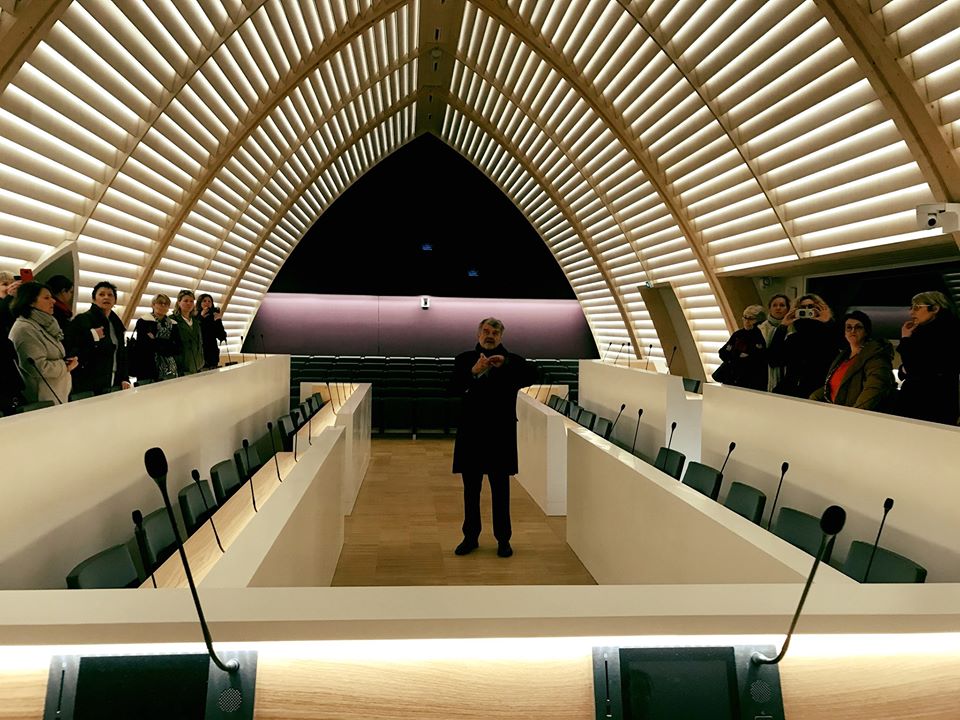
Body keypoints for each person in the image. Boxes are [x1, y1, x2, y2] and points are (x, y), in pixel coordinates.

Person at [450, 318, 538, 558]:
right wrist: (473, 372)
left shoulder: (513, 362)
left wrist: (505, 364)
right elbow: (451, 388)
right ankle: (470, 537)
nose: (490, 335)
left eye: (495, 332)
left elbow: (533, 375)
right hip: (471, 435)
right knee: (471, 491)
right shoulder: (464, 360)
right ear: (478, 334)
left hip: (500, 436)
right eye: (486, 331)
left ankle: (503, 539)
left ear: (501, 337)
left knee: (501, 491)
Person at [894, 291, 960, 425]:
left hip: (928, 402)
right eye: (911, 308)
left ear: (935, 308)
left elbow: (914, 368)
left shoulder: (941, 335)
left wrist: (905, 339)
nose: (911, 312)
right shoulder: (932, 331)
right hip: (937, 401)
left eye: (917, 307)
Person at [810, 310, 894, 411]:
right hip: (835, 410)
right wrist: (814, 399)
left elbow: (874, 388)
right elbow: (832, 386)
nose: (853, 331)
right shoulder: (843, 356)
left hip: (855, 414)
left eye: (858, 327)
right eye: (849, 327)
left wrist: (854, 413)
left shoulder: (875, 356)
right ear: (845, 333)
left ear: (866, 332)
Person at [8, 282, 77, 404]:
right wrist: (65, 367)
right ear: (31, 302)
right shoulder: (25, 329)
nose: (53, 301)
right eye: (46, 298)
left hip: (56, 394)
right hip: (42, 398)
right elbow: (36, 367)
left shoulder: (45, 325)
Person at [767, 293, 840, 399]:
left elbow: (841, 346)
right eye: (802, 308)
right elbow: (773, 360)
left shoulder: (827, 336)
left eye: (811, 307)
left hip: (816, 394)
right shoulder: (794, 338)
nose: (807, 310)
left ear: (819, 309)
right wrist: (783, 326)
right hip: (790, 392)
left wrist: (828, 322)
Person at [66, 281, 131, 394]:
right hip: (88, 382)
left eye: (110, 295)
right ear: (94, 299)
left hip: (113, 380)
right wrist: (92, 336)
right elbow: (73, 347)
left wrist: (124, 377)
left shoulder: (116, 324)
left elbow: (121, 353)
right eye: (101, 294)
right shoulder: (83, 320)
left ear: (115, 301)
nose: (106, 297)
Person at [715, 305, 768, 390]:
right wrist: (736, 356)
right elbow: (723, 352)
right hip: (730, 377)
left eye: (751, 319)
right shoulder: (738, 334)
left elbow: (755, 358)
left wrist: (735, 356)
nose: (747, 321)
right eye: (745, 318)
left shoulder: (761, 336)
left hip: (750, 380)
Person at [133, 294, 181, 382]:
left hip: (170, 367)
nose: (163, 305)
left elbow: (177, 348)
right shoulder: (143, 321)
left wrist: (155, 340)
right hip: (147, 366)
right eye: (160, 303)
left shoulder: (173, 324)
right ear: (153, 305)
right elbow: (144, 345)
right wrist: (166, 343)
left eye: (166, 304)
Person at [0, 271, 25, 413]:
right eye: (4, 284)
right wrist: (9, 297)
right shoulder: (5, 305)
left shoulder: (14, 307)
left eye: (11, 284)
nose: (9, 287)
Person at [757, 294, 790, 391]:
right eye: (774, 305)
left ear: (788, 309)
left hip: (786, 372)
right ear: (770, 309)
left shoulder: (794, 328)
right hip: (764, 375)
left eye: (782, 305)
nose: (778, 308)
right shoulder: (760, 329)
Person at [172, 289, 204, 375]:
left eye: (191, 301)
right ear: (179, 302)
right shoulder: (172, 321)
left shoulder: (196, 322)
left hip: (198, 366)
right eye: (185, 301)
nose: (189, 303)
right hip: (182, 368)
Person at [197, 293, 227, 369]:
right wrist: (201, 317)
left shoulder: (213, 317)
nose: (207, 303)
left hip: (212, 354)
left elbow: (222, 336)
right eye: (204, 301)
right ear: (200, 303)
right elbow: (196, 332)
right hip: (200, 354)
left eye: (209, 301)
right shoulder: (195, 316)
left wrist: (218, 321)